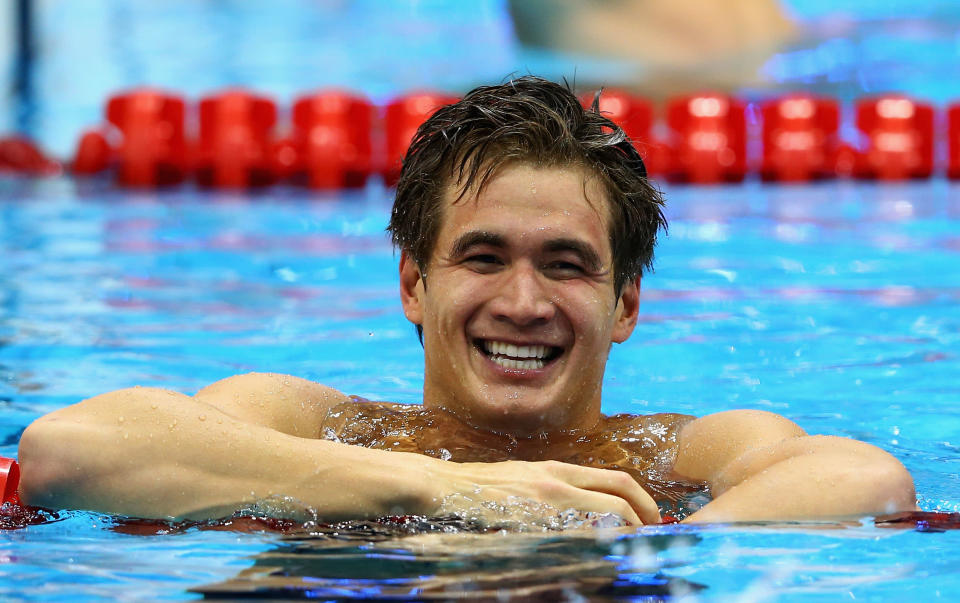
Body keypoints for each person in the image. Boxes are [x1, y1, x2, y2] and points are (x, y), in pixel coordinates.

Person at [16, 77, 916, 526]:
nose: (522, 302)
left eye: (567, 264)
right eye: (482, 256)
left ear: (627, 302)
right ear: (414, 281)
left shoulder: (671, 457)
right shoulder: (328, 428)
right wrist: (454, 490)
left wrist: (614, 544)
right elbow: (70, 447)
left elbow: (868, 480)